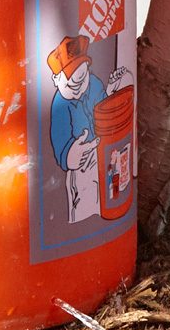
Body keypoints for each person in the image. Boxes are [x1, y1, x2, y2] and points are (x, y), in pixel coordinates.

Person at [47, 35, 127, 224]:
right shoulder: (60, 105)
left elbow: (104, 110)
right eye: (71, 83)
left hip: (104, 158)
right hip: (81, 169)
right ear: (56, 80)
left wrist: (113, 91)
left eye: (81, 78)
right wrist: (71, 155)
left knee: (108, 201)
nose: (78, 87)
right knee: (84, 208)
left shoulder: (94, 84)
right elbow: (59, 141)